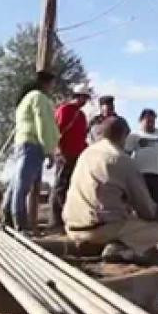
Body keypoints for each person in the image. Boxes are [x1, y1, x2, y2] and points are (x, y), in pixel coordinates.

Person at [63, 116, 158, 262]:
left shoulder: (85, 154)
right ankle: (120, 250)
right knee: (155, 230)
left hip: (72, 228)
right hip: (97, 230)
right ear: (124, 136)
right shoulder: (121, 159)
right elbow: (146, 209)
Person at [4, 70, 60, 232]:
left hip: (21, 143)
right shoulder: (39, 98)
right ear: (47, 83)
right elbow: (44, 123)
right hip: (32, 144)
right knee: (23, 186)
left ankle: (7, 218)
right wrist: (49, 149)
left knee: (16, 184)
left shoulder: (25, 99)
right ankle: (20, 224)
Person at [125, 108, 158, 239]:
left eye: (153, 121)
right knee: (142, 204)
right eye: (148, 121)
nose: (150, 124)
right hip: (141, 175)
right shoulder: (134, 136)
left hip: (157, 174)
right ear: (141, 121)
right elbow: (127, 154)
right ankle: (141, 233)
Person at [49, 83, 92, 233]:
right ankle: (56, 222)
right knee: (59, 187)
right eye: (83, 97)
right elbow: (57, 131)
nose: (85, 101)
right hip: (65, 154)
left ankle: (68, 220)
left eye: (86, 98)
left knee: (70, 189)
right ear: (76, 96)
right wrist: (58, 151)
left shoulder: (81, 115)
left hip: (77, 156)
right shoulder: (65, 110)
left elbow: (82, 137)